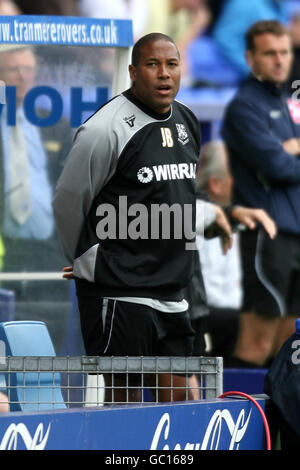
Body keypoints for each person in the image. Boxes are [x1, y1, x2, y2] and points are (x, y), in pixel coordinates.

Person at [53, 32, 276, 404]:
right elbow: (68, 199)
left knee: (179, 401)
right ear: (132, 71)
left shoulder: (187, 121)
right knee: (123, 403)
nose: (163, 74)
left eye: (171, 64)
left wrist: (215, 216)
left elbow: (179, 198)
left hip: (174, 290)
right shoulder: (104, 130)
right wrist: (82, 256)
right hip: (121, 291)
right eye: (152, 65)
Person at [222, 20, 300, 368]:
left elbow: (284, 160)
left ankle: (278, 423)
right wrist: (285, 153)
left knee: (288, 345)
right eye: (269, 53)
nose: (280, 60)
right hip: (268, 237)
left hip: (295, 235)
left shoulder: (290, 100)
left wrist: (291, 149)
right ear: (250, 58)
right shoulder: (244, 107)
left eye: (284, 52)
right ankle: (236, 417)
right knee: (258, 342)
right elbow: (278, 167)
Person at [0, 46, 73, 349]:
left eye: (28, 69)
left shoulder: (53, 122)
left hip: (48, 251)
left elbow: (70, 186)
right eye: (14, 69)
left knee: (48, 341)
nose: (23, 77)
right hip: (8, 250)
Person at [195, 140, 242, 363]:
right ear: (216, 183)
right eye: (234, 175)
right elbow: (214, 294)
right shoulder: (196, 221)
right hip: (208, 321)